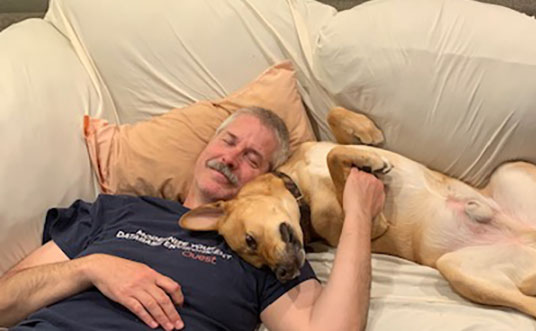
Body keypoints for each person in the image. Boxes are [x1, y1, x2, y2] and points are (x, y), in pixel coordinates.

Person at [0, 106, 386, 331]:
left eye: (252, 159)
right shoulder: (117, 209)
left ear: (266, 178)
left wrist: (358, 213)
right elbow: (4, 301)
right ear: (207, 145)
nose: (230, 158)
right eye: (228, 141)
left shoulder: (266, 246)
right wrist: (93, 268)